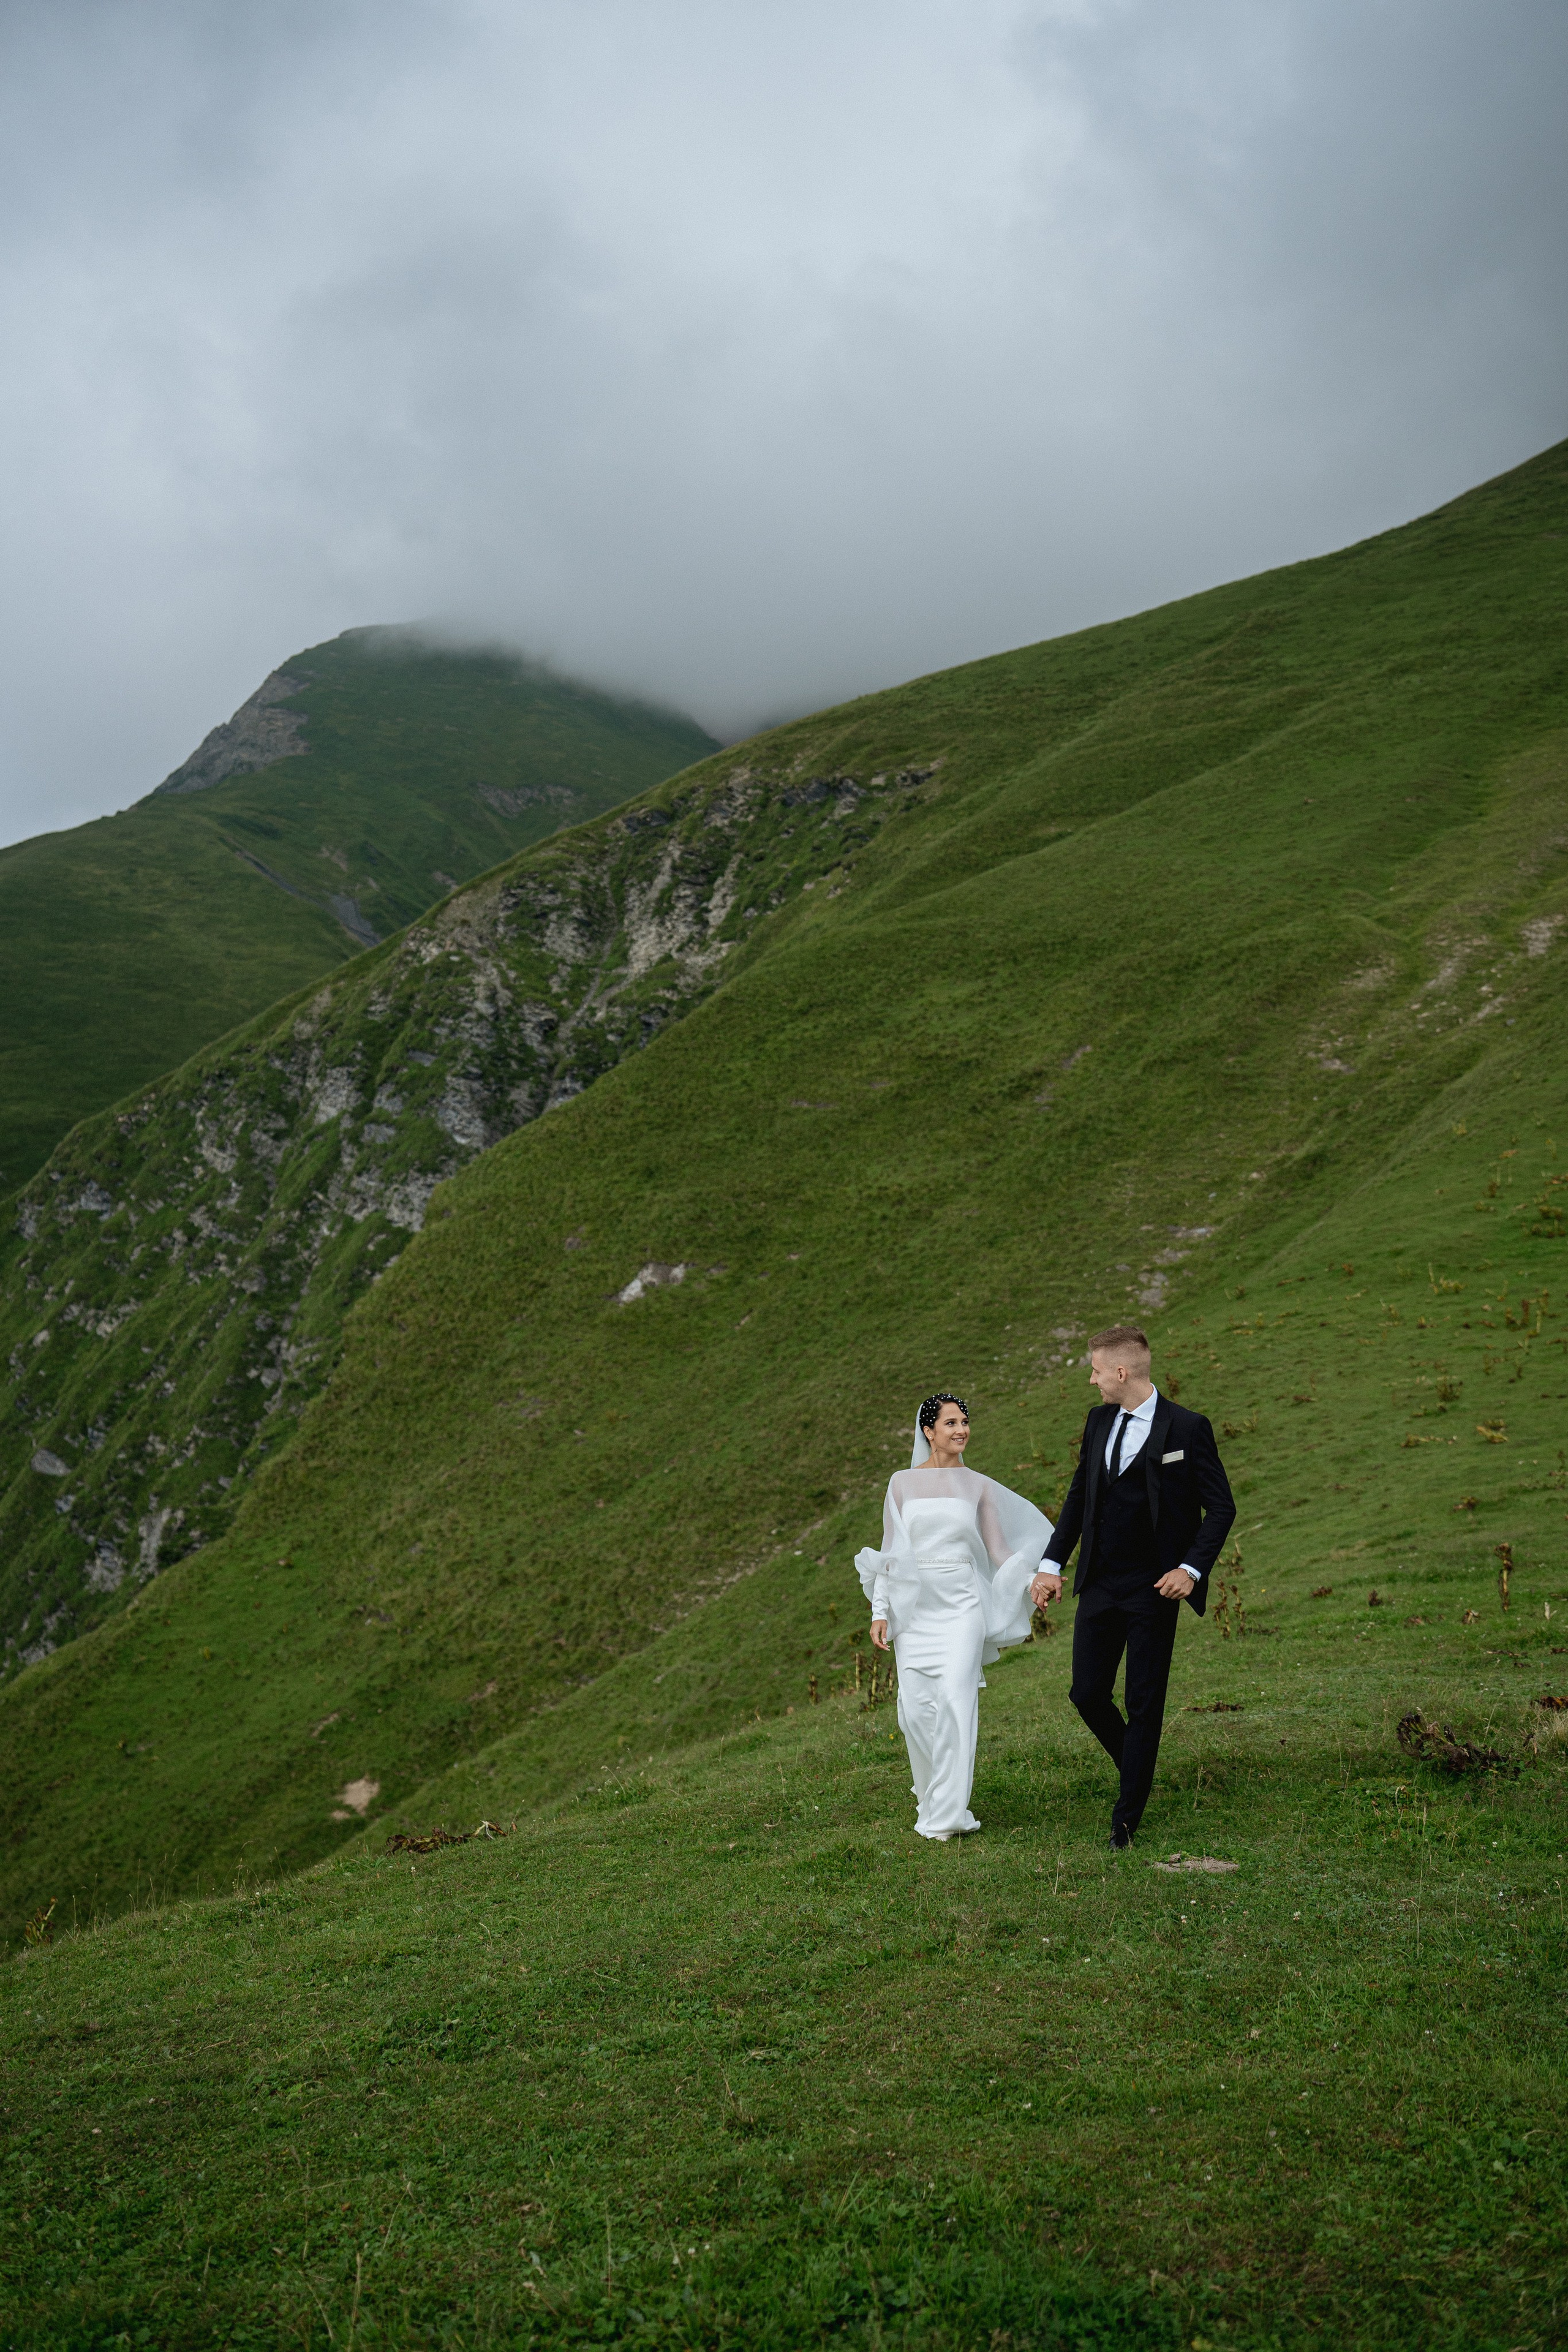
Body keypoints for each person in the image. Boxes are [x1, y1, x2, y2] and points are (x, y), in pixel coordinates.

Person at [1030, 1324, 1235, 1852]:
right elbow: (1079, 1497)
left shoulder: (1187, 1428)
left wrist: (1190, 1569)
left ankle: (1125, 1823)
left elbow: (1222, 1508)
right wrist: (1051, 1564)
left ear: (1121, 1372)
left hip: (1155, 1588)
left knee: (1145, 1701)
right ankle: (1137, 1766)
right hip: (1100, 1582)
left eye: (1096, 1371)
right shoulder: (1099, 1420)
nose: (1093, 1381)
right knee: (1087, 1692)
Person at [857, 1393, 1053, 1841]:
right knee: (914, 1711)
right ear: (929, 1432)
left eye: (965, 1422)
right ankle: (932, 1795)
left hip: (963, 1606)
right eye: (951, 1423)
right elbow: (891, 1552)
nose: (961, 1430)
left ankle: (948, 1814)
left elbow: (1000, 1550)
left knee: (955, 1701)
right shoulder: (901, 1484)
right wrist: (880, 1611)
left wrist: (1031, 1582)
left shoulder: (979, 1485)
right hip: (915, 1607)